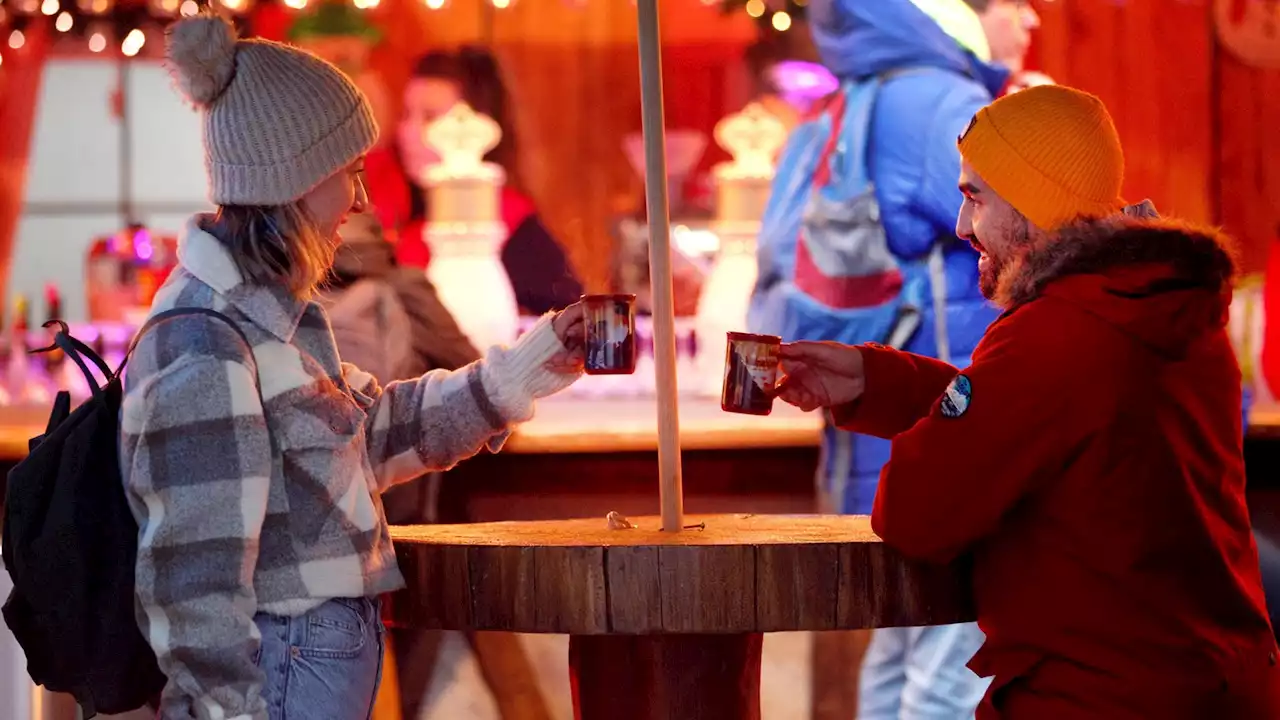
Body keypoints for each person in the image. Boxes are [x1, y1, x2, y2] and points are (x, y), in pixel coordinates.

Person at [120, 14, 586, 719]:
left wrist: (530, 364)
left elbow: (367, 436)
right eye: (348, 174)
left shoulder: (272, 311)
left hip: (308, 662)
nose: (361, 200)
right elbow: (194, 585)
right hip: (280, 676)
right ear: (291, 182)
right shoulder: (203, 338)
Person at [774, 84, 1280, 718]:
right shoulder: (1164, 308)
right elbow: (1052, 423)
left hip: (1097, 698)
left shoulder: (1059, 329)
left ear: (1032, 200)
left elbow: (915, 512)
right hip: (1214, 683)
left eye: (974, 197)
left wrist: (921, 416)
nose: (962, 226)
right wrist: (874, 381)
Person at [749, 0, 1038, 716]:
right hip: (957, 437)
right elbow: (1036, 239)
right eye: (1013, 1)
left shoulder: (844, 101)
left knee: (902, 653)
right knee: (954, 671)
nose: (1030, 18)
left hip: (874, 438)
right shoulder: (945, 105)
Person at [362, 47, 584, 316]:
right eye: (407, 114)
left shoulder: (511, 224)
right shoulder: (376, 196)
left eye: (429, 116)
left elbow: (568, 319)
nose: (407, 131)